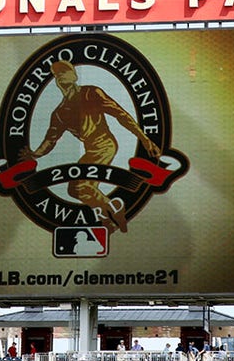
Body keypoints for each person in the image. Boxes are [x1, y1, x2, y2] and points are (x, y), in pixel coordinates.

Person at [18, 59, 163, 233]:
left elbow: (120, 114)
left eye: (64, 71)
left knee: (77, 187)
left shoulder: (91, 93)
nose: (60, 76)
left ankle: (113, 211)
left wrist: (145, 140)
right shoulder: (60, 113)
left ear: (74, 75)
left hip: (105, 145)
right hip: (90, 150)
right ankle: (108, 218)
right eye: (57, 74)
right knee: (81, 189)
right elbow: (50, 140)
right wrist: (35, 154)